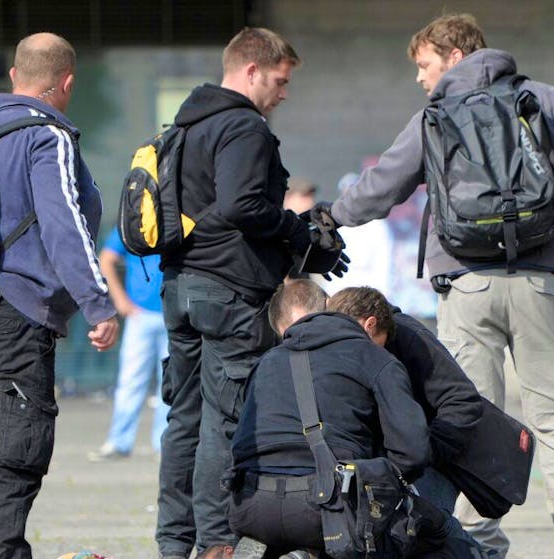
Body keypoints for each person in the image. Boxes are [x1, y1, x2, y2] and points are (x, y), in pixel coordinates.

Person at [323, 13, 554, 559]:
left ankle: (478, 547)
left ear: (456, 55)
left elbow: (381, 186)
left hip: (465, 284)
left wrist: (330, 218)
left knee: (469, 419)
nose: (420, 78)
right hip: (538, 282)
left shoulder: (434, 115)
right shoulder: (542, 100)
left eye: (424, 64)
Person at [0, 33, 119, 559]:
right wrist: (97, 303)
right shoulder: (47, 137)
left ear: (14, 76)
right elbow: (66, 225)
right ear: (67, 83)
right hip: (14, 319)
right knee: (14, 456)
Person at [156, 28, 311, 559]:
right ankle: (217, 545)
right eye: (279, 80)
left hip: (180, 286)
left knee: (185, 420)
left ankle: (174, 543)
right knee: (225, 422)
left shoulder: (183, 126)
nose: (283, 93)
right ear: (251, 71)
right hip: (228, 293)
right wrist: (295, 229)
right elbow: (244, 204)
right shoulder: (244, 126)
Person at [227, 280, 432, 555]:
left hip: (251, 503)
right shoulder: (373, 357)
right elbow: (413, 452)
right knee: (423, 530)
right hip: (324, 506)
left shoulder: (266, 361)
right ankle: (309, 553)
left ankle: (287, 549)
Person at [326, 287, 483, 514]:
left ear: (369, 325)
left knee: (425, 531)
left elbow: (461, 400)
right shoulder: (327, 341)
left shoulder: (409, 338)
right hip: (361, 460)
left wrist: (425, 452)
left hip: (422, 463)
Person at [87, 226, 170, 461]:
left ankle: (165, 445)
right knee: (131, 380)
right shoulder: (132, 218)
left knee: (171, 383)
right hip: (139, 315)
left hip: (174, 315)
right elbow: (106, 259)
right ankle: (119, 441)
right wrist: (120, 300)